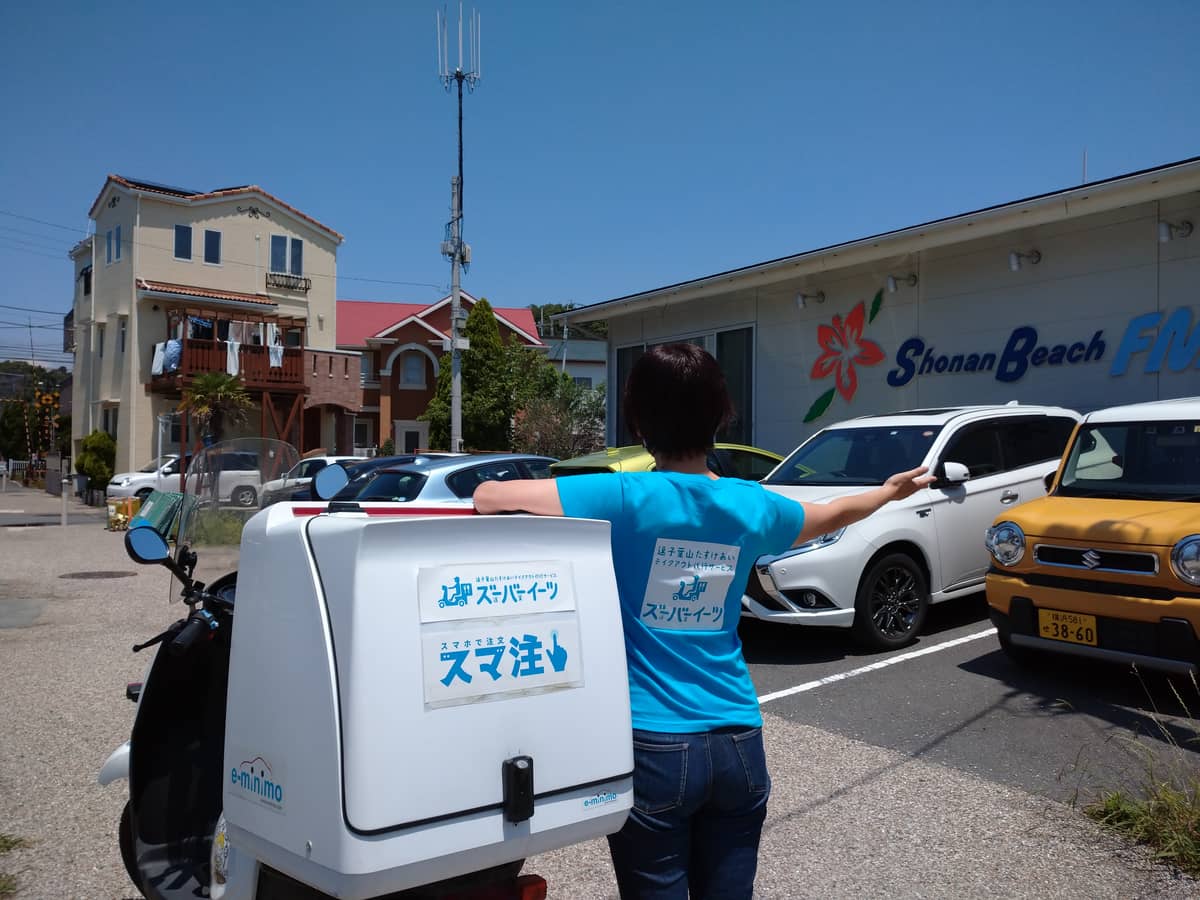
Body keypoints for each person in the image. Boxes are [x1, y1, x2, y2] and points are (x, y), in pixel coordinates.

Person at [474, 343, 933, 899]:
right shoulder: (751, 503)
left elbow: (490, 496)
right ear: (719, 419)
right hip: (740, 739)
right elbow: (830, 514)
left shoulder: (623, 495)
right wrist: (886, 492)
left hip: (654, 745)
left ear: (639, 422)